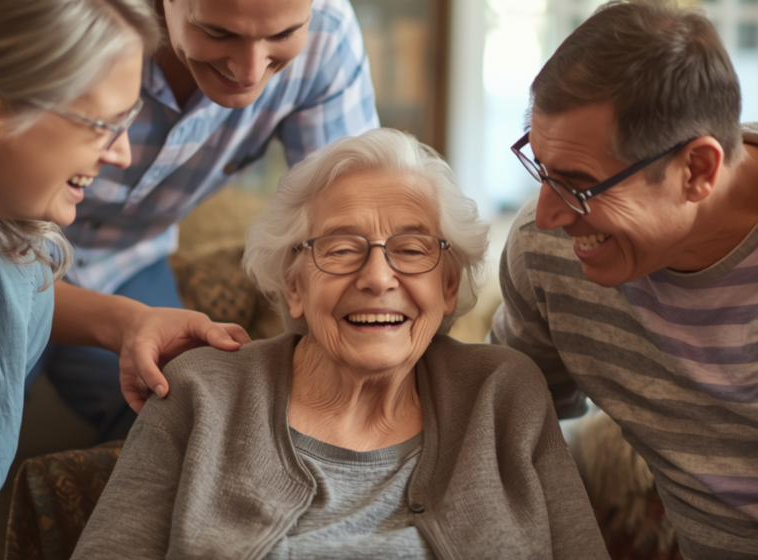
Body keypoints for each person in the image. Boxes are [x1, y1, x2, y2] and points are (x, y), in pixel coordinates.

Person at [71, 129, 608, 560]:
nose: (377, 277)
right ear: (295, 286)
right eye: (342, 248)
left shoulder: (503, 395)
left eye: (412, 248)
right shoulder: (202, 391)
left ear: (448, 287)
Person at [0, 0, 247, 557]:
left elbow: (9, 298)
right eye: (103, 125)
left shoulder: (11, 260)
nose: (122, 153)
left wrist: (130, 321)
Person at [34, 0, 380, 441]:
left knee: (190, 428)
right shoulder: (62, 18)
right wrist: (124, 322)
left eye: (282, 35)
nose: (251, 72)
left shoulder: (328, 36)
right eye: (219, 34)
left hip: (128, 259)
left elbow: (352, 219)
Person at [488, 0, 758, 557]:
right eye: (541, 167)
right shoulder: (548, 255)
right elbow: (500, 423)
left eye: (580, 185)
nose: (546, 216)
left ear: (698, 170)